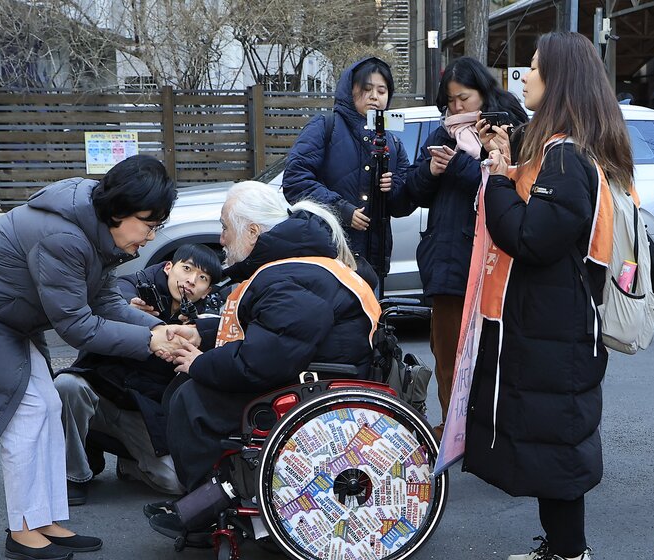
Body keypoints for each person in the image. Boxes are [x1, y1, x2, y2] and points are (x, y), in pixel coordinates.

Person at [0, 155, 191, 560]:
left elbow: (101, 300)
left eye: (157, 227)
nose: (151, 237)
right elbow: (78, 326)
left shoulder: (91, 226)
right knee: (27, 413)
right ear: (118, 211)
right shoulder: (64, 237)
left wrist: (158, 330)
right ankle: (23, 528)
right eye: (149, 225)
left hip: (4, 318)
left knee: (48, 404)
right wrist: (150, 341)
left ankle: (46, 520)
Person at [469, 32, 634, 560]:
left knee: (557, 438)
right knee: (551, 434)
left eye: (533, 69)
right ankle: (562, 547)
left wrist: (496, 175)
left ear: (559, 80)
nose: (524, 79)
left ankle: (570, 555)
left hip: (555, 328)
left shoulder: (565, 159)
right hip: (553, 324)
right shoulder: (569, 151)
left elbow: (530, 237)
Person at [159, 182, 380, 504]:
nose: (221, 239)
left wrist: (200, 363)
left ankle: (206, 506)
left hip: (312, 386)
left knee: (192, 401)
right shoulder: (299, 262)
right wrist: (203, 334)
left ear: (251, 231)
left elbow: (264, 359)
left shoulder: (283, 276)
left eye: (224, 228)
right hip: (318, 372)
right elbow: (275, 330)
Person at [404, 57, 528, 441]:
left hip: (496, 258)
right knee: (447, 353)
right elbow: (411, 193)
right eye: (451, 101)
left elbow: (510, 184)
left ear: (484, 93)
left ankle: (495, 430)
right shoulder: (442, 134)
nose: (457, 108)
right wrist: (432, 171)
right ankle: (454, 429)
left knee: (497, 354)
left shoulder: (511, 127)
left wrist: (458, 166)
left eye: (464, 98)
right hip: (448, 259)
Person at [54, 244, 223, 502]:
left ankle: (129, 464)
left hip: (142, 410)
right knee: (67, 385)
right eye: (186, 269)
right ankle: (73, 475)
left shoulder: (204, 320)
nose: (190, 281)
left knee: (176, 482)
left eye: (202, 278)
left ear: (208, 290)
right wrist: (126, 307)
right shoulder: (140, 289)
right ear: (169, 267)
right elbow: (114, 295)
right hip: (100, 392)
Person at [283, 56, 415, 291]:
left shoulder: (393, 142)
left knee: (368, 323)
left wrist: (392, 188)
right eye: (366, 89)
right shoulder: (326, 126)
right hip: (326, 255)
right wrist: (342, 210)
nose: (374, 96)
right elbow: (295, 181)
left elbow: (401, 206)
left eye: (381, 90)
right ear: (349, 90)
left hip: (372, 265)